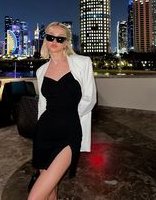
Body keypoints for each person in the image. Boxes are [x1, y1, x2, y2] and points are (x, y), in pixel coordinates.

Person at [28, 21, 96, 200]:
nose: (54, 41)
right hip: (44, 132)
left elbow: (90, 98)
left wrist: (69, 116)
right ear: (45, 40)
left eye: (60, 38)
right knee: (50, 190)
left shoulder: (82, 63)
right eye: (50, 37)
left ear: (66, 42)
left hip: (69, 132)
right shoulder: (41, 71)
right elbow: (43, 104)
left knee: (35, 196)